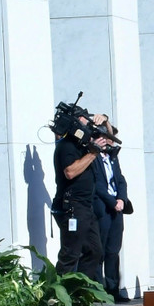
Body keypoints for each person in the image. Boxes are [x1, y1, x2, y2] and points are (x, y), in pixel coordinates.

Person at [51, 109, 104, 284]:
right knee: (70, 254)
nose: (87, 122)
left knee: (94, 251)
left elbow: (109, 134)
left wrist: (104, 119)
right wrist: (93, 154)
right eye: (84, 118)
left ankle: (78, 291)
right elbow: (70, 172)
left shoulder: (82, 145)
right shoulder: (67, 145)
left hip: (86, 207)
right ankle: (58, 294)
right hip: (72, 207)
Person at [91, 117, 131, 301]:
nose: (109, 141)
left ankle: (114, 289)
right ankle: (98, 291)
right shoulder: (93, 157)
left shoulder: (112, 157)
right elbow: (97, 184)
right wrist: (111, 201)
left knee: (113, 251)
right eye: (106, 137)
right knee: (99, 250)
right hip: (102, 207)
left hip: (117, 207)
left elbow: (120, 180)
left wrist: (121, 199)